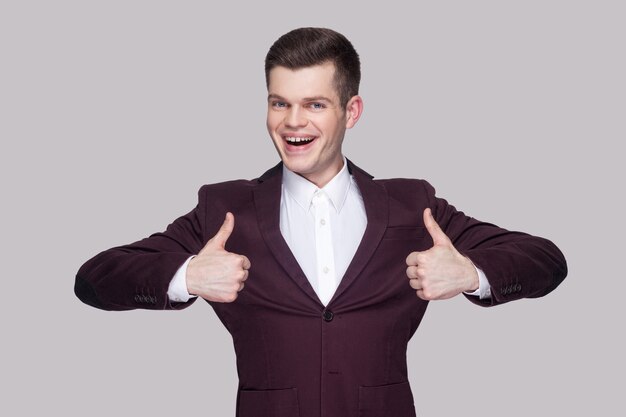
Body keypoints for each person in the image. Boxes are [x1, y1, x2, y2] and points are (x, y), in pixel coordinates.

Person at [75, 27, 567, 417]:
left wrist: (471, 275)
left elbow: (546, 260)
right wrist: (185, 276)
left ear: (351, 111)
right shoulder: (224, 209)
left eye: (314, 104)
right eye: (279, 102)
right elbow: (94, 280)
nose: (293, 122)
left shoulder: (411, 204)